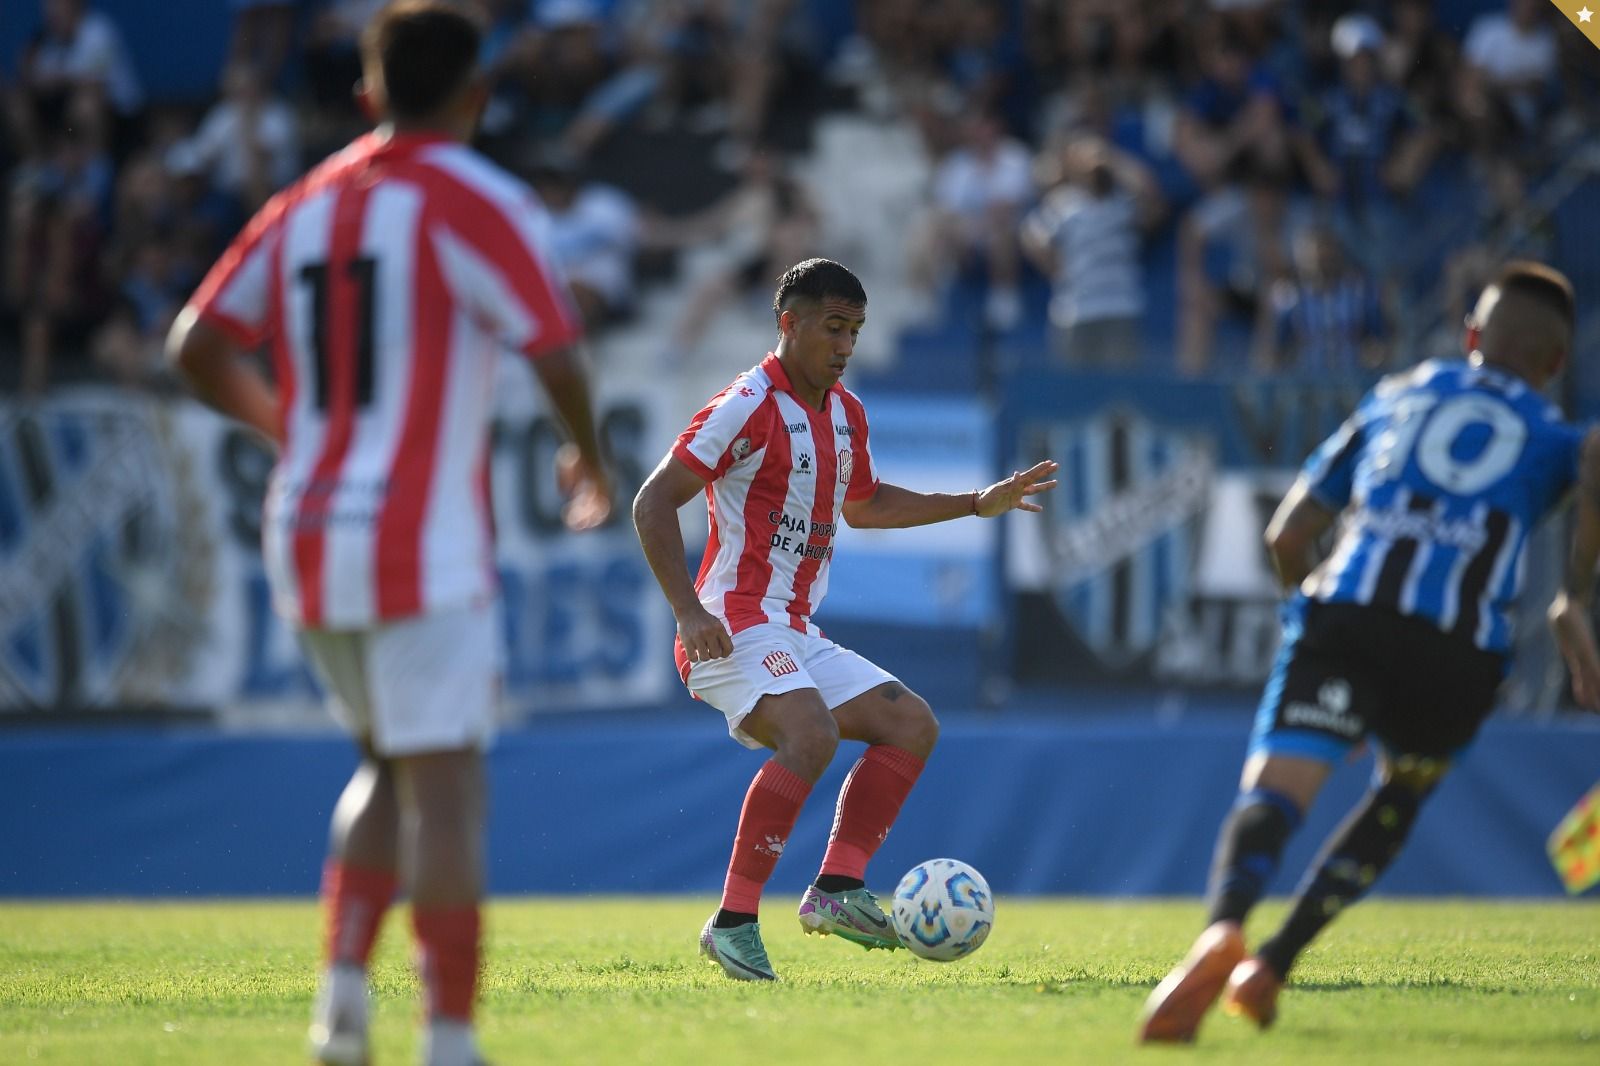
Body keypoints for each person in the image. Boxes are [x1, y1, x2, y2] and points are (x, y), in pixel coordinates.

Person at [165, 4, 612, 1064]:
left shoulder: (303, 201)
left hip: (309, 523)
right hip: (421, 529)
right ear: (477, 94)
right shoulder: (481, 197)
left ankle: (340, 1011)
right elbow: (553, 345)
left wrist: (294, 429)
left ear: (367, 95)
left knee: (385, 763)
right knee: (449, 786)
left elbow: (196, 343)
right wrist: (589, 455)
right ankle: (449, 1040)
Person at [1138, 261, 1600, 1042]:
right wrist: (1573, 596)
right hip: (1458, 652)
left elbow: (1289, 533)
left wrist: (1309, 628)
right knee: (1401, 794)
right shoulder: (1558, 438)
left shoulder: (1396, 396)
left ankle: (1225, 927)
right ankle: (1272, 967)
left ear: (1471, 336)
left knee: (1277, 793)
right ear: (1556, 364)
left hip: (1347, 615)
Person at [631, 257, 1058, 981]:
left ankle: (836, 888)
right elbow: (652, 501)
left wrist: (975, 501)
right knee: (811, 732)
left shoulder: (845, 413)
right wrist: (686, 611)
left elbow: (865, 505)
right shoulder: (746, 404)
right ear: (788, 324)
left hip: (792, 628)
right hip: (731, 623)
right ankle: (732, 923)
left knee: (911, 723)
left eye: (855, 330)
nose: (845, 345)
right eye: (833, 327)